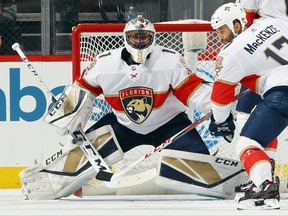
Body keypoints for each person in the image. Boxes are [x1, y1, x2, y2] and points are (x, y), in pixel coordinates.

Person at [19, 15, 215, 200]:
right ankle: (48, 180)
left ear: (153, 38)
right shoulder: (105, 64)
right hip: (123, 125)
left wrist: (219, 108)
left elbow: (194, 91)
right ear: (125, 38)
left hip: (169, 124)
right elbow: (82, 91)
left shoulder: (170, 60)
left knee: (203, 170)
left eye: (144, 37)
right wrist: (67, 112)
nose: (139, 42)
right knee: (79, 154)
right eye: (134, 37)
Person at [209, 2, 288, 210]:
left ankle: (264, 184)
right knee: (262, 132)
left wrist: (221, 121)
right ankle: (264, 181)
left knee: (246, 142)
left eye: (222, 30)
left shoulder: (232, 53)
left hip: (283, 93)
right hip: (281, 87)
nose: (220, 37)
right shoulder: (274, 21)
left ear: (236, 25)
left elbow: (219, 98)